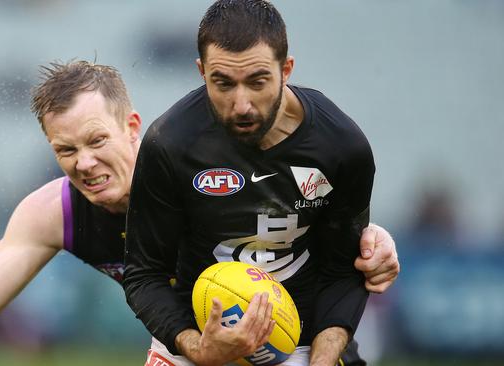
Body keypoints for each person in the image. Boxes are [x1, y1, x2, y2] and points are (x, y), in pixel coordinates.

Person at [0, 61, 398, 366]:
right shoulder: (54, 212)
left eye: (97, 140)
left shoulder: (205, 173)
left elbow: (321, 209)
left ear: (132, 127)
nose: (84, 163)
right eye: (65, 150)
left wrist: (376, 241)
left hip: (304, 350)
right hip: (192, 349)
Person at [122, 1, 391, 366]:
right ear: (202, 72)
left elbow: (343, 269)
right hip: (198, 336)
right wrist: (201, 349)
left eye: (257, 81)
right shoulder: (169, 144)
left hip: (305, 342)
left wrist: (323, 359)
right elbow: (145, 274)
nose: (241, 104)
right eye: (223, 83)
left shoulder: (342, 146)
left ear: (287, 69)